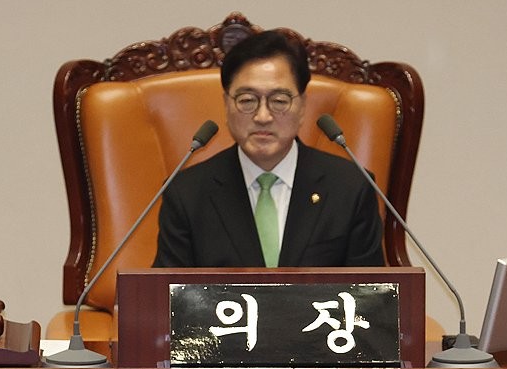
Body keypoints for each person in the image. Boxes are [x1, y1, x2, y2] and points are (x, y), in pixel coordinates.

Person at [153, 31, 385, 269]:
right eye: (246, 100)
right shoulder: (186, 194)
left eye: (279, 100)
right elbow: (164, 297)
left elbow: (372, 295)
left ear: (302, 106)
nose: (262, 116)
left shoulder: (351, 187)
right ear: (226, 104)